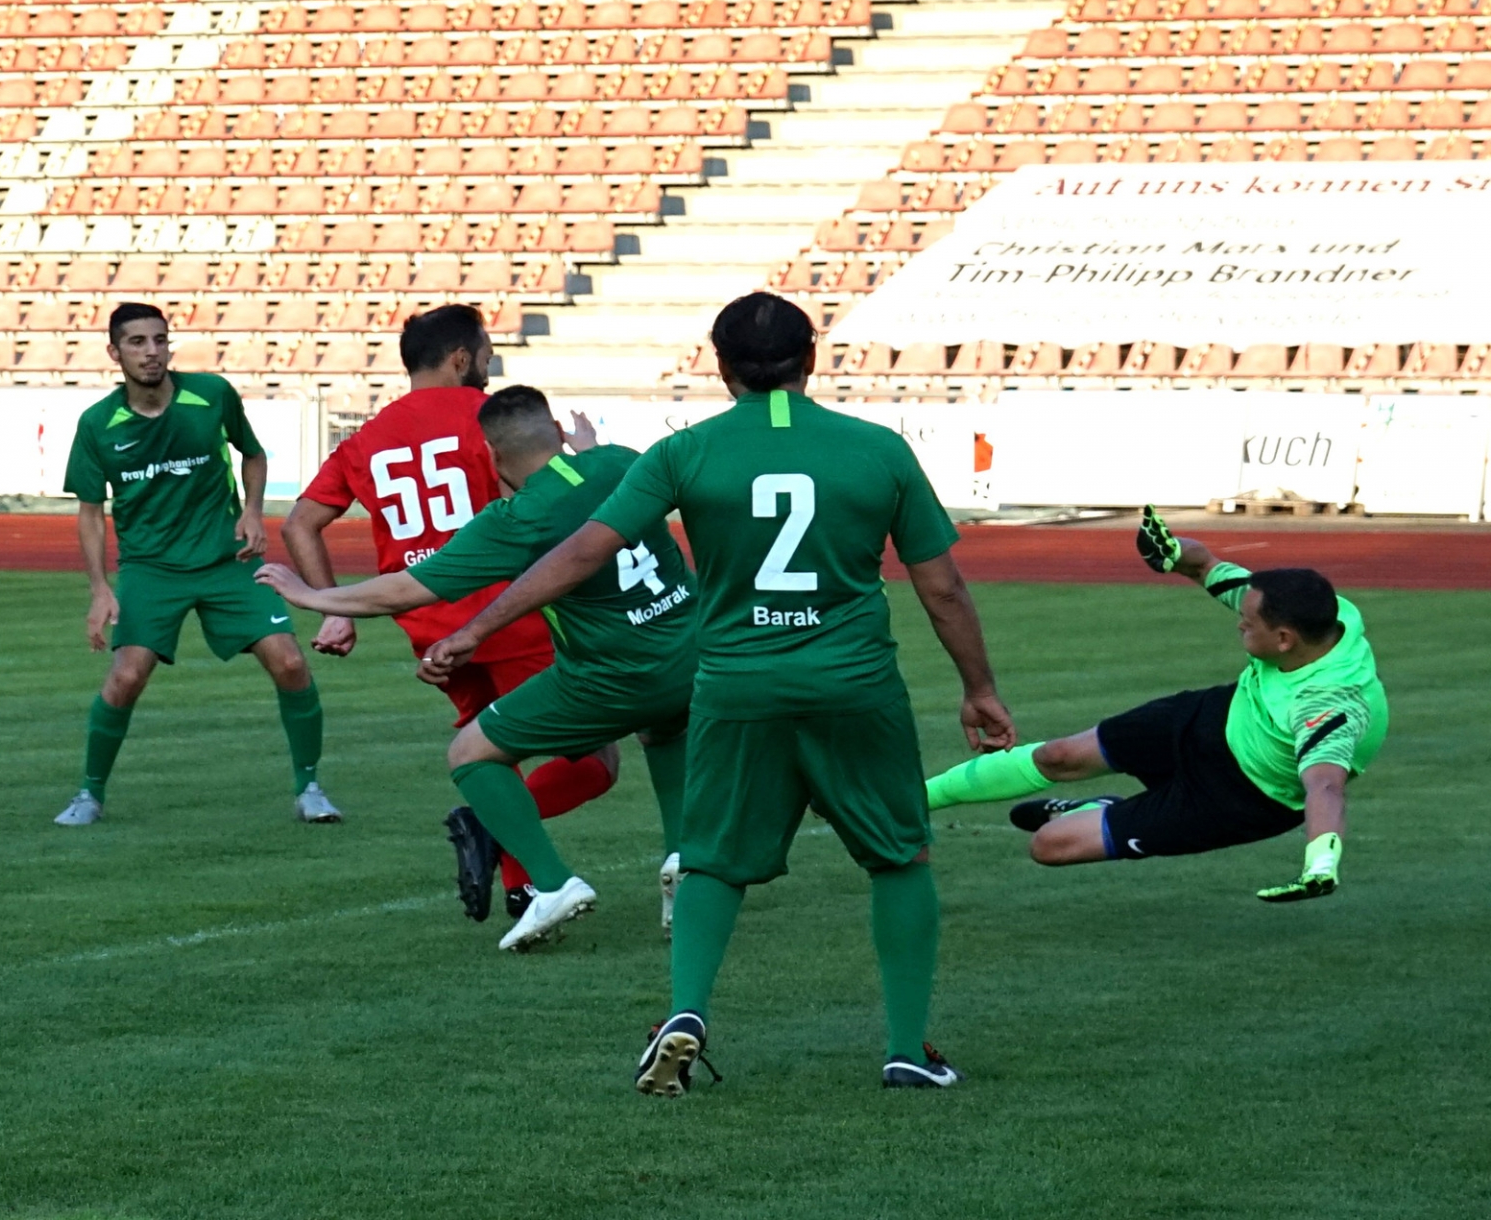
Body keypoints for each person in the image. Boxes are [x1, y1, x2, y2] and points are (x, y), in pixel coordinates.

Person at [420, 292, 1016, 1095]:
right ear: (811, 359)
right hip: (853, 683)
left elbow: (581, 554)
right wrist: (979, 689)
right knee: (899, 857)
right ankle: (907, 1049)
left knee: (709, 862)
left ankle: (686, 1015)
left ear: (721, 366)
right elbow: (941, 586)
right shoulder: (878, 449)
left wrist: (475, 628)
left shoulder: (684, 452)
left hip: (737, 684)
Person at [259, 385, 696, 951]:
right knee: (664, 730)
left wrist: (312, 596)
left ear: (492, 454)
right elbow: (612, 479)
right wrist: (588, 446)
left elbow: (405, 589)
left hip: (613, 675)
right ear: (558, 433)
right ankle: (684, 859)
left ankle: (552, 884)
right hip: (691, 659)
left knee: (471, 752)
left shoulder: (519, 517)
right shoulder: (619, 461)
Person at [281, 305, 616, 919]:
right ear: (462, 358)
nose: (489, 366)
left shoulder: (365, 438)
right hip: (511, 619)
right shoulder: (487, 421)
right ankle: (494, 834)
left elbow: (300, 523)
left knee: (494, 756)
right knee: (595, 760)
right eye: (486, 355)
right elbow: (537, 503)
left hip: (432, 632)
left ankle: (524, 886)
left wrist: (336, 612)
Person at [923, 507, 1387, 901]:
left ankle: (1097, 808)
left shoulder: (1328, 705)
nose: (1239, 625)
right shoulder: (1319, 612)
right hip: (1219, 716)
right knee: (1058, 755)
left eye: (1248, 625)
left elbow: (1325, 787)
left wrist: (1320, 864)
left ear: (1284, 640)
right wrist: (1173, 553)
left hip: (1240, 797)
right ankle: (914, 799)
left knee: (1049, 845)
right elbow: (1205, 565)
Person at [54, 302, 336, 827]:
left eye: (160, 340)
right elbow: (91, 513)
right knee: (126, 677)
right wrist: (99, 589)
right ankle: (89, 794)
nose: (152, 352)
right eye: (137, 342)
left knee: (291, 663)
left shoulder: (211, 395)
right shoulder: (97, 424)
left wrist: (253, 512)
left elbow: (253, 454)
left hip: (227, 558)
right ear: (114, 352)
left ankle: (310, 788)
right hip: (150, 567)